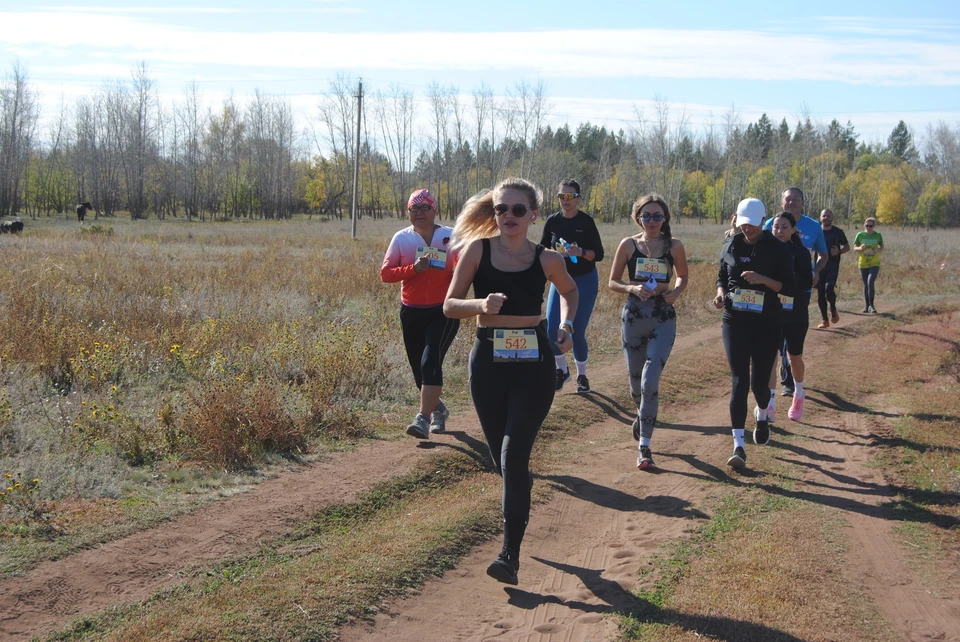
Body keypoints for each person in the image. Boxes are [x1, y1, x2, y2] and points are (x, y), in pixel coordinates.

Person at [444, 177, 578, 585]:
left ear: (533, 214)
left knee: (513, 457)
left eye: (518, 210)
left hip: (533, 360)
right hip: (488, 361)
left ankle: (509, 555)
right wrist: (481, 304)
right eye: (502, 209)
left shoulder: (547, 259)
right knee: (504, 462)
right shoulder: (476, 251)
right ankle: (519, 494)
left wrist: (567, 325)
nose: (509, 217)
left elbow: (570, 292)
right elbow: (450, 305)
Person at [715, 198, 797, 470]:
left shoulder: (778, 249)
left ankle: (762, 415)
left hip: (767, 322)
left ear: (763, 222)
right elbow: (722, 278)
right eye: (742, 225)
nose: (747, 229)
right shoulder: (731, 244)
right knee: (739, 381)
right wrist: (719, 295)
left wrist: (763, 279)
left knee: (759, 385)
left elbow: (790, 288)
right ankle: (738, 445)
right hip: (734, 320)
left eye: (752, 225)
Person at [608, 194, 688, 470]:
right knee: (635, 385)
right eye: (646, 216)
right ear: (637, 218)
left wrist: (676, 291)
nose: (652, 221)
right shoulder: (628, 245)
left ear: (665, 218)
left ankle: (644, 447)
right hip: (634, 317)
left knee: (649, 381)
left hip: (663, 317)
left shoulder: (674, 245)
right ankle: (642, 414)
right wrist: (631, 288)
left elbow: (683, 276)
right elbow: (612, 281)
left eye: (657, 216)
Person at [380, 188, 461, 439]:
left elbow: (463, 269)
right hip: (411, 311)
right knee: (418, 370)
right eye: (414, 209)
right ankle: (438, 409)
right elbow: (386, 274)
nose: (419, 213)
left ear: (434, 210)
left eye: (424, 208)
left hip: (443, 311)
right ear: (408, 213)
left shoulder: (451, 236)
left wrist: (453, 279)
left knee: (429, 361)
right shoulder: (401, 239)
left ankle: (423, 419)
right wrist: (413, 269)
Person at [539, 179, 604, 393]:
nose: (565, 201)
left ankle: (582, 376)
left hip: (585, 280)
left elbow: (599, 255)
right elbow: (543, 248)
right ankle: (562, 371)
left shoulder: (586, 222)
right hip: (560, 280)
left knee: (576, 331)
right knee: (551, 329)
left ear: (578, 199)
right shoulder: (552, 221)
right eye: (561, 196)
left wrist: (581, 252)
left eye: (569, 196)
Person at [762, 187, 827, 398]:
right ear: (782, 202)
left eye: (796, 200)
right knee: (775, 337)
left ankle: (792, 379)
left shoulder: (814, 227)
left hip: (801, 289)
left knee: (791, 338)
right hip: (774, 288)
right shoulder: (772, 224)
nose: (792, 203)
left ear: (803, 203)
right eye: (788, 199)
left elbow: (823, 255)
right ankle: (785, 380)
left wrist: (815, 272)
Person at [770, 212, 813, 421]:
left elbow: (807, 282)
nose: (779, 231)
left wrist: (786, 281)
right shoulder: (765, 249)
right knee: (770, 355)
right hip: (770, 311)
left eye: (784, 227)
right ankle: (768, 403)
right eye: (776, 227)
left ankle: (799, 393)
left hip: (795, 312)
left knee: (793, 356)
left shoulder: (802, 253)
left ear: (794, 230)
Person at [815, 208, 849, 328]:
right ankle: (825, 320)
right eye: (824, 215)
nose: (826, 217)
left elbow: (847, 246)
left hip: (832, 266)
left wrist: (838, 251)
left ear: (832, 217)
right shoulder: (816, 231)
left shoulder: (838, 232)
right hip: (819, 266)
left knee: (829, 289)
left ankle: (833, 309)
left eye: (828, 215)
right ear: (820, 218)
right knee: (820, 293)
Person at [853, 217, 884, 313]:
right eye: (867, 226)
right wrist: (860, 248)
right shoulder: (860, 235)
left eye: (870, 226)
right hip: (863, 262)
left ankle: (872, 305)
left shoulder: (877, 235)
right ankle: (866, 306)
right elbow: (854, 247)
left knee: (870, 282)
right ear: (864, 226)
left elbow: (881, 246)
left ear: (873, 226)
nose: (868, 228)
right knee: (866, 284)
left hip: (874, 262)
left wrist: (877, 250)